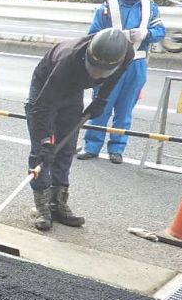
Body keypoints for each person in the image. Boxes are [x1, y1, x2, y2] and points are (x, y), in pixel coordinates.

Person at [25, 28, 133, 231]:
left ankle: (58, 204)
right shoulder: (67, 60)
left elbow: (114, 77)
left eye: (103, 72)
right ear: (88, 56)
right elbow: (43, 107)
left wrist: (101, 99)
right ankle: (42, 208)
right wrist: (45, 141)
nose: (98, 75)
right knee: (42, 152)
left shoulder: (126, 53)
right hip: (46, 87)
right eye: (95, 69)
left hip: (74, 89)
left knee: (67, 147)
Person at [78, 0, 165, 164]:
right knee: (102, 106)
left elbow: (160, 31)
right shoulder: (108, 7)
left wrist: (146, 33)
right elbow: (92, 35)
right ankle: (92, 145)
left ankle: (117, 148)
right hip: (111, 65)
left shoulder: (149, 6)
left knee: (125, 110)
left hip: (136, 65)